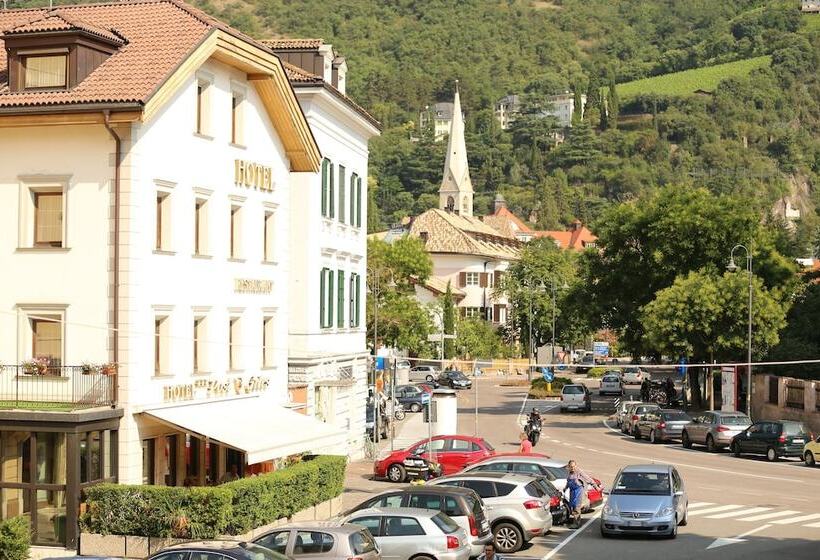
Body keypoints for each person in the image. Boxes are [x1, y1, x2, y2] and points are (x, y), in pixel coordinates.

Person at [563, 459, 601, 528]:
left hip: (578, 492)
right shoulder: (570, 473)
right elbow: (568, 482)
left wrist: (596, 487)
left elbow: (588, 479)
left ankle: (576, 524)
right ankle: (576, 522)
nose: (572, 468)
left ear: (576, 466)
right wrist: (565, 488)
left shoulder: (579, 472)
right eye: (571, 467)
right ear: (569, 466)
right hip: (572, 492)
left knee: (577, 507)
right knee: (573, 507)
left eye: (574, 466)